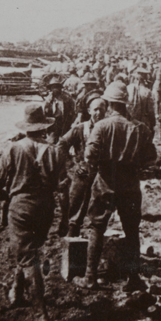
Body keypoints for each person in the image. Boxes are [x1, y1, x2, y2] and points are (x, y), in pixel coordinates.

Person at [73, 81, 156, 292]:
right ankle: (133, 278)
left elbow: (89, 156)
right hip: (130, 184)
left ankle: (90, 277)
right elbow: (151, 157)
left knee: (97, 228)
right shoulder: (140, 128)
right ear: (125, 103)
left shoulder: (101, 126)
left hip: (105, 182)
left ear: (109, 103)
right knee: (131, 230)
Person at [0, 104, 66, 321]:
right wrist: (65, 218)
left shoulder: (13, 149)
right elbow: (64, 189)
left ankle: (41, 314)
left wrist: (5, 198)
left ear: (26, 127)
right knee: (29, 249)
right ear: (43, 127)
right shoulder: (55, 151)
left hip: (21, 207)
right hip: (45, 208)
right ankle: (17, 290)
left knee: (28, 256)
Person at [57, 94, 107, 237]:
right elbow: (61, 145)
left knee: (98, 209)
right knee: (74, 205)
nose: (99, 113)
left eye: (102, 110)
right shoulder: (81, 128)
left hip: (101, 174)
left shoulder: (108, 128)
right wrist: (72, 165)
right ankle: (68, 233)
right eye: (96, 110)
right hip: (83, 172)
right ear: (89, 111)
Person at [43, 75, 76, 140]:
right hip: (53, 123)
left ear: (60, 88)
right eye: (53, 87)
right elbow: (45, 112)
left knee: (65, 139)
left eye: (57, 87)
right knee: (52, 140)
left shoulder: (66, 97)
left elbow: (73, 109)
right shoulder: (49, 99)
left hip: (65, 121)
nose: (55, 89)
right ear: (51, 88)